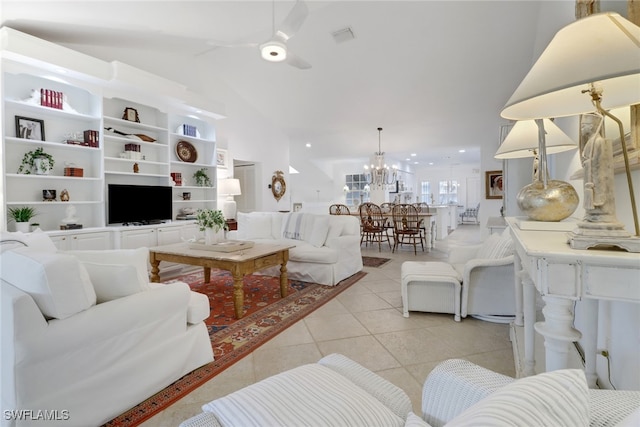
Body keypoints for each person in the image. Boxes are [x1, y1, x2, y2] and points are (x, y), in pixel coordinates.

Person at [580, 113, 618, 224]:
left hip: (596, 178)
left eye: (583, 126)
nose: (581, 130)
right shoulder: (590, 142)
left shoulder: (598, 141)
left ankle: (599, 212)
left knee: (597, 194)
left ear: (591, 126)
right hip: (589, 176)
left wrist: (588, 162)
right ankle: (592, 213)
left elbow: (599, 162)